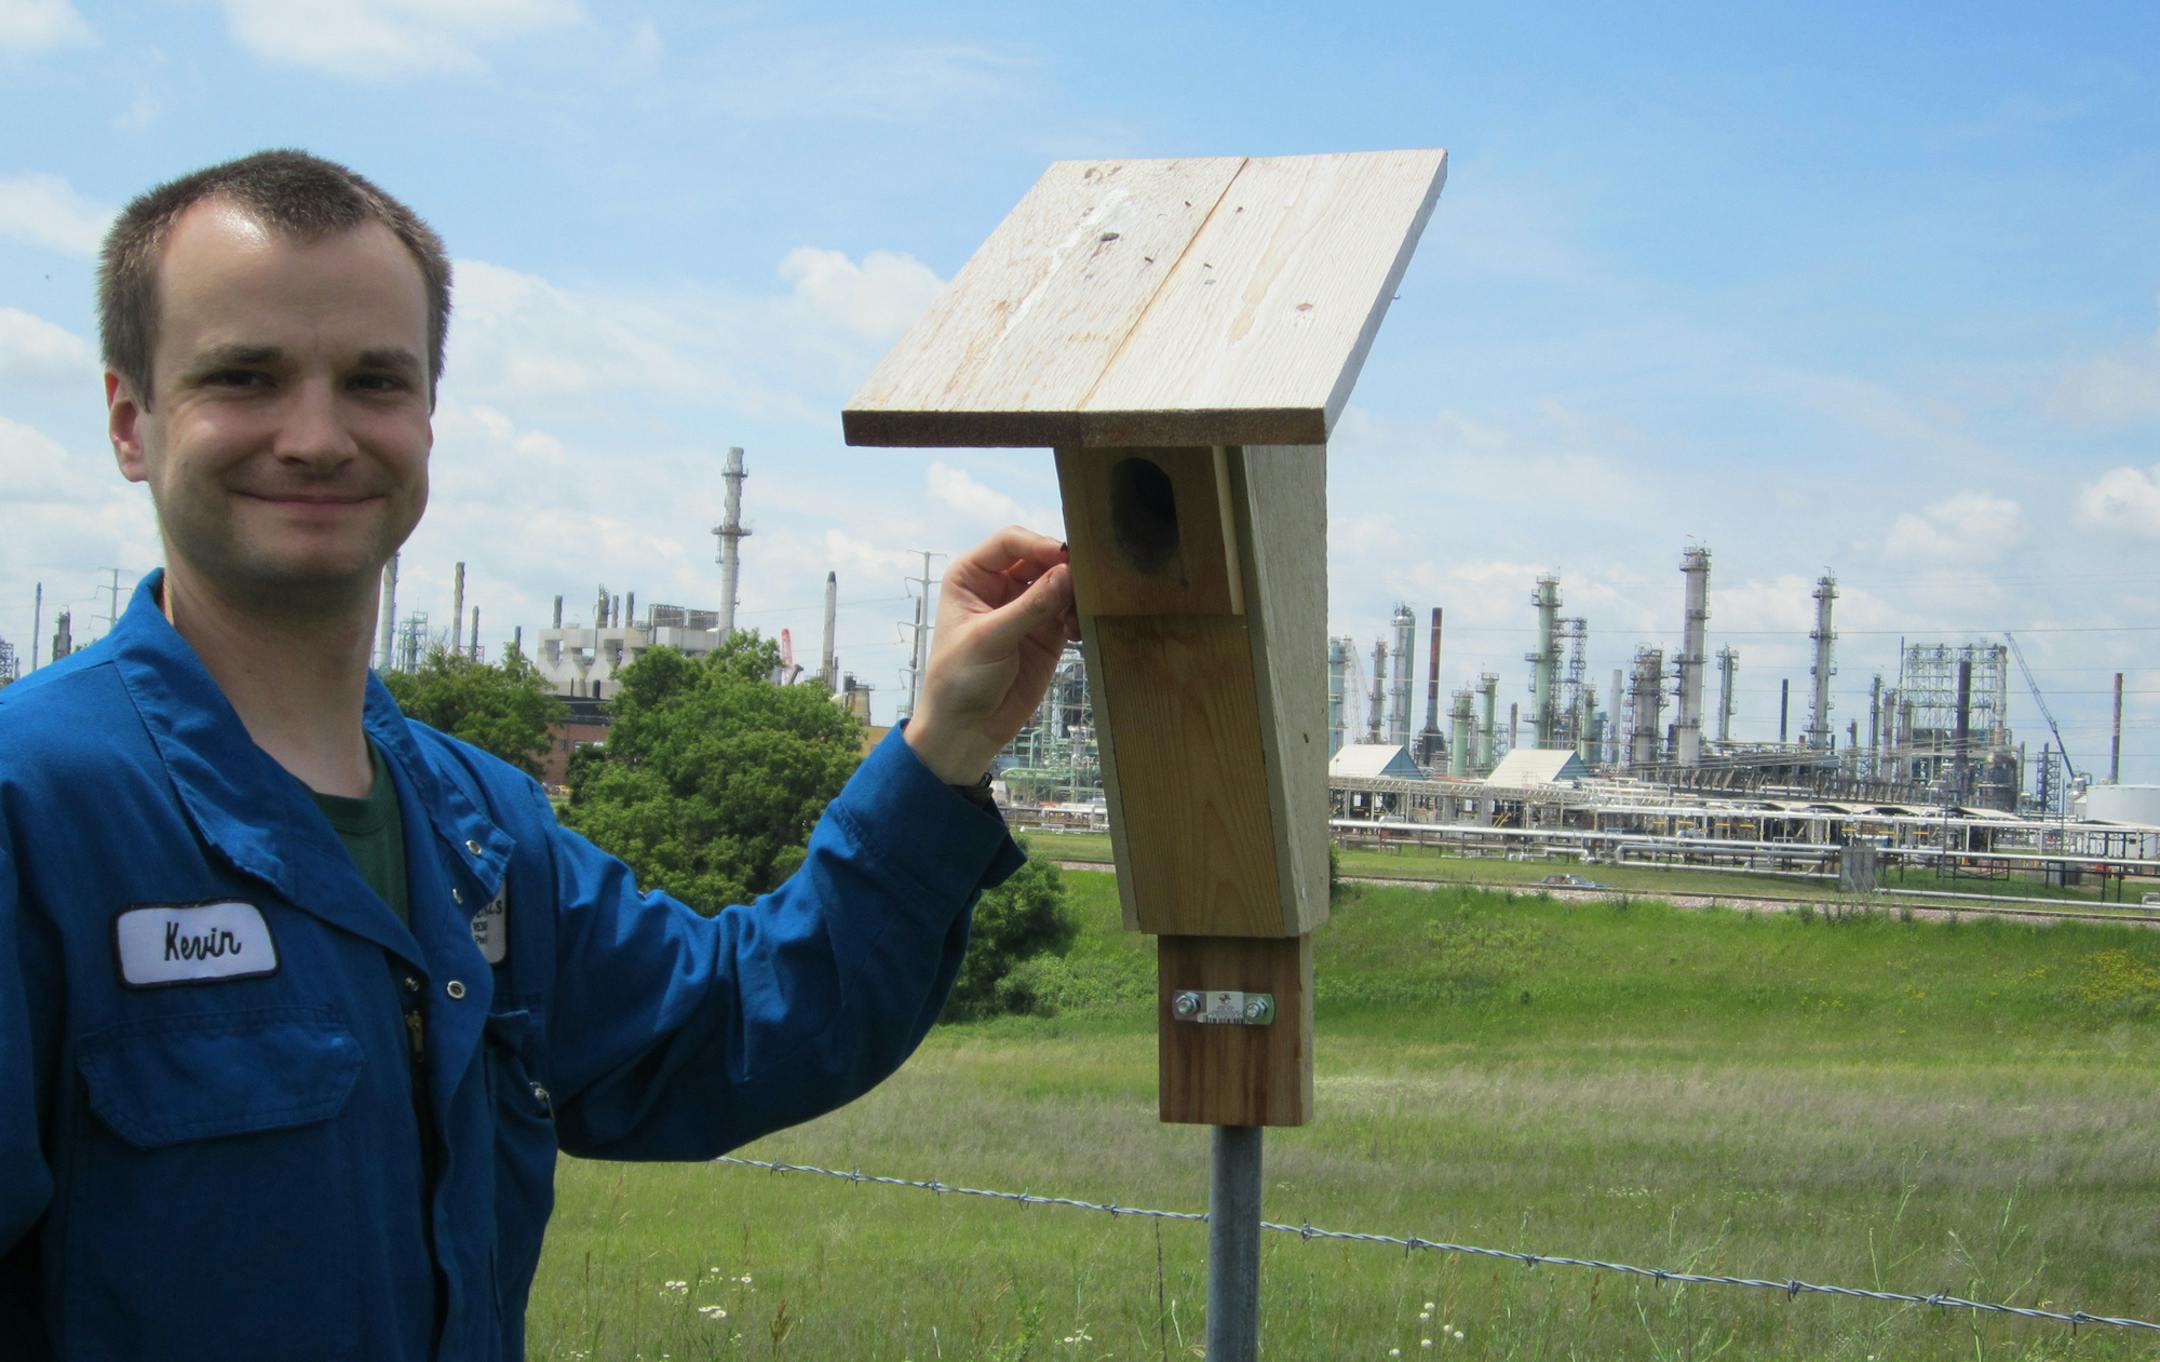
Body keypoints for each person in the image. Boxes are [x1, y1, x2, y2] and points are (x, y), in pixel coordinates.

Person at [0, 149, 1077, 1361]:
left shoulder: (476, 828)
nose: (316, 435)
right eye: (243, 378)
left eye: (374, 382)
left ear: (425, 421)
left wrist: (944, 747)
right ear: (129, 423)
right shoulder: (37, 811)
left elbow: (737, 1025)